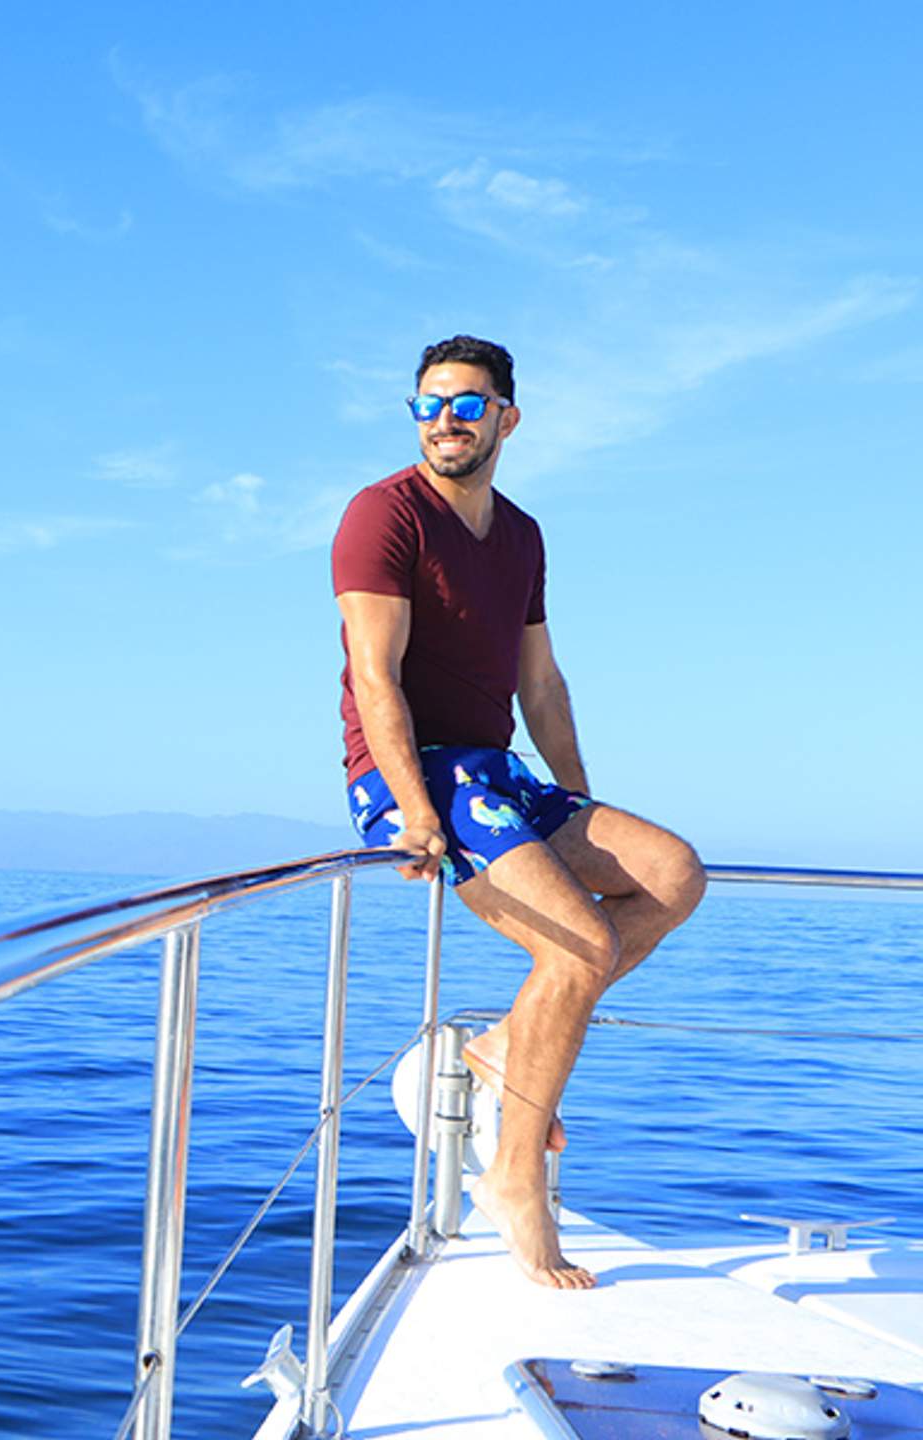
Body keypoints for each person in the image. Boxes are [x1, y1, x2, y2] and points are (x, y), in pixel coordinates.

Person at [331, 335, 705, 1289]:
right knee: (579, 948)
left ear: (507, 416)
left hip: (498, 772)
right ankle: (513, 1179)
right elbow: (375, 676)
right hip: (412, 773)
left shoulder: (523, 533)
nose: (445, 420)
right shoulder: (383, 515)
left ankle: (503, 1052)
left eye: (466, 403)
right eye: (428, 404)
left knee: (673, 874)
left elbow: (540, 682)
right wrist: (412, 809)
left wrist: (576, 802)